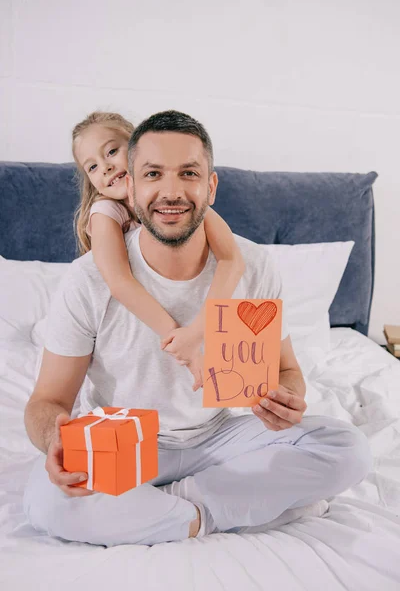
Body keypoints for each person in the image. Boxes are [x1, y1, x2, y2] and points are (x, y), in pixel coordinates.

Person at [23, 110, 372, 546]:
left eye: (188, 173)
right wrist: (55, 438)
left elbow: (286, 372)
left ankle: (174, 510)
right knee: (47, 500)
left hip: (221, 436)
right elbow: (47, 400)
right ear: (130, 184)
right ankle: (239, 509)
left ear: (210, 185)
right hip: (129, 443)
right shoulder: (89, 278)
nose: (171, 191)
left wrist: (288, 400)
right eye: (153, 174)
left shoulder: (253, 264)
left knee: (348, 448)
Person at [72, 111, 245, 391]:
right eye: (91, 167)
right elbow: (119, 282)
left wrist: (198, 330)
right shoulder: (105, 212)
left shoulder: (181, 202)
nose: (104, 168)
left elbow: (233, 260)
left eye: (112, 151)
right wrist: (184, 346)